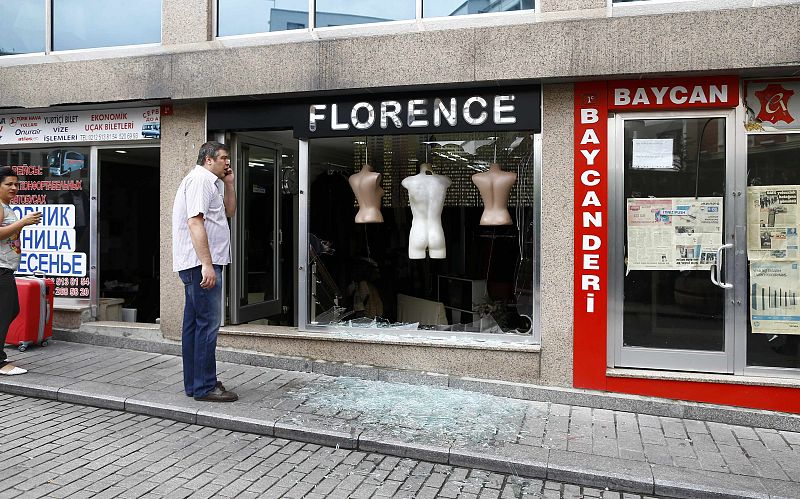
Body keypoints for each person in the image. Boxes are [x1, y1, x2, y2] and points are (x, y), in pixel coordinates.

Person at [172, 142, 238, 402]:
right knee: (207, 326)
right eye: (223, 158)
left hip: (197, 264)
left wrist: (230, 183)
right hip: (201, 265)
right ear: (208, 159)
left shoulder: (210, 182)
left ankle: (195, 383)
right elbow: (195, 221)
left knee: (193, 325)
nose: (227, 163)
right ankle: (205, 386)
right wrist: (207, 264)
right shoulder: (200, 180)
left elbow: (229, 212)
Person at [0, 166, 42, 375]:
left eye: (16, 184)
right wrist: (22, 222)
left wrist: (22, 224)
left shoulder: (7, 207)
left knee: (10, 310)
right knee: (6, 311)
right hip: (0, 268)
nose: (14, 188)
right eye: (8, 184)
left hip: (6, 267)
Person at [401, 163, 451, 259]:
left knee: (416, 259)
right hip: (436, 233)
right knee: (437, 264)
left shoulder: (409, 181)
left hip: (418, 232)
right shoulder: (444, 181)